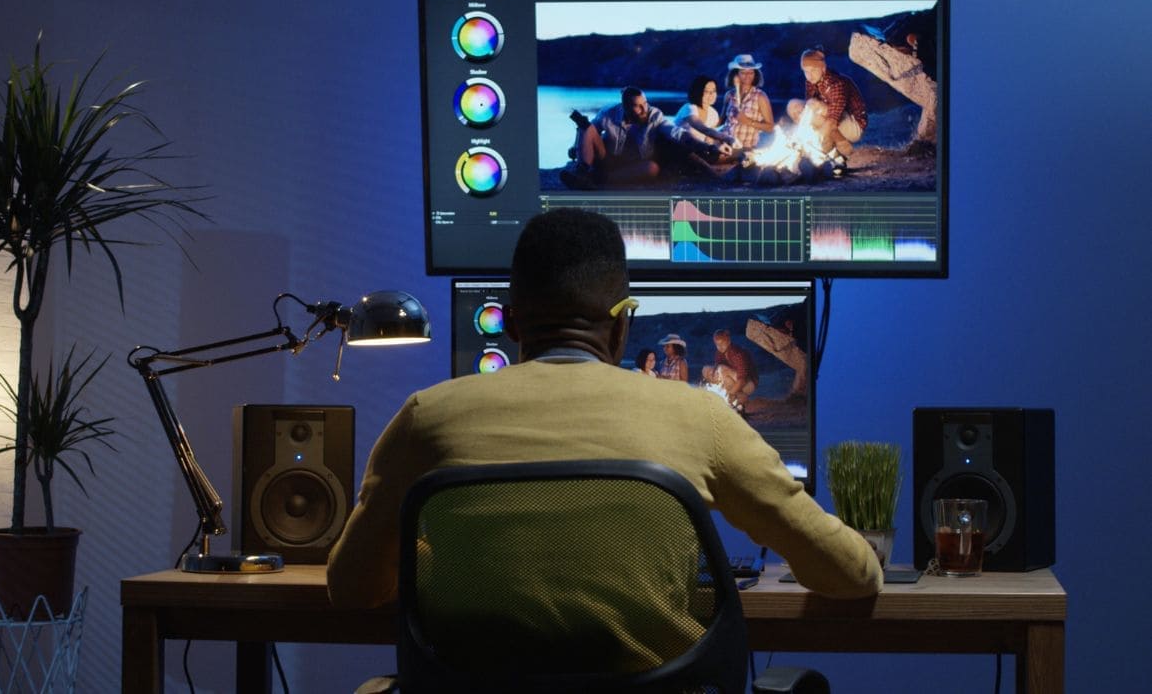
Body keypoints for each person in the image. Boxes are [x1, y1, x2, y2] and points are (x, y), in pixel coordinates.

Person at [328, 208, 881, 635]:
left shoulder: (427, 417)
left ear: (513, 324)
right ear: (622, 324)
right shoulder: (700, 417)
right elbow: (850, 575)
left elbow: (352, 588)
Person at [562, 86, 732, 189]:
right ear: (625, 107)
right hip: (607, 157)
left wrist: (709, 147)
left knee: (652, 168)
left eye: (645, 103)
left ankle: (597, 180)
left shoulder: (654, 115)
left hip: (634, 164)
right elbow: (589, 132)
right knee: (586, 125)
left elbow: (678, 134)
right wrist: (576, 147)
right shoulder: (609, 113)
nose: (644, 109)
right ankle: (582, 172)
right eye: (638, 107)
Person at [787, 47, 868, 160]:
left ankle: (840, 144)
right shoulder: (811, 81)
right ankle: (831, 143)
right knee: (793, 105)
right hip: (831, 121)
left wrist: (810, 140)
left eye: (813, 70)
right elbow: (808, 114)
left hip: (854, 126)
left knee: (812, 106)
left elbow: (832, 121)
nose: (809, 76)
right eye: (806, 71)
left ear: (823, 68)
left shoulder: (836, 84)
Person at [720, 54, 775, 152]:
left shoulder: (760, 96)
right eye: (743, 72)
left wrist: (748, 121)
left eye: (751, 72)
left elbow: (770, 127)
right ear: (736, 74)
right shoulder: (729, 95)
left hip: (745, 149)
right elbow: (722, 122)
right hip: (725, 144)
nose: (748, 76)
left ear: (755, 74)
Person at [705, 328, 757, 411]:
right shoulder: (720, 353)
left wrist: (729, 395)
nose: (720, 347)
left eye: (722, 343)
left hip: (748, 383)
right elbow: (716, 367)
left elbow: (742, 380)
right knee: (707, 370)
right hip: (735, 381)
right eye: (717, 344)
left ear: (728, 341)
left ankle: (736, 397)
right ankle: (738, 397)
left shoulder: (737, 353)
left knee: (722, 369)